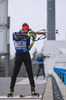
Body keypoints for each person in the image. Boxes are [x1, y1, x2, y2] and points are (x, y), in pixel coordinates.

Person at [7, 23, 36, 97]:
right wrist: (26, 36)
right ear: (23, 29)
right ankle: (11, 90)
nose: (27, 31)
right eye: (26, 30)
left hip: (26, 54)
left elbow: (28, 48)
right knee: (15, 73)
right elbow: (17, 39)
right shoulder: (15, 34)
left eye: (27, 30)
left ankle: (33, 90)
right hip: (19, 55)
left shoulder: (27, 36)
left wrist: (33, 40)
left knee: (30, 72)